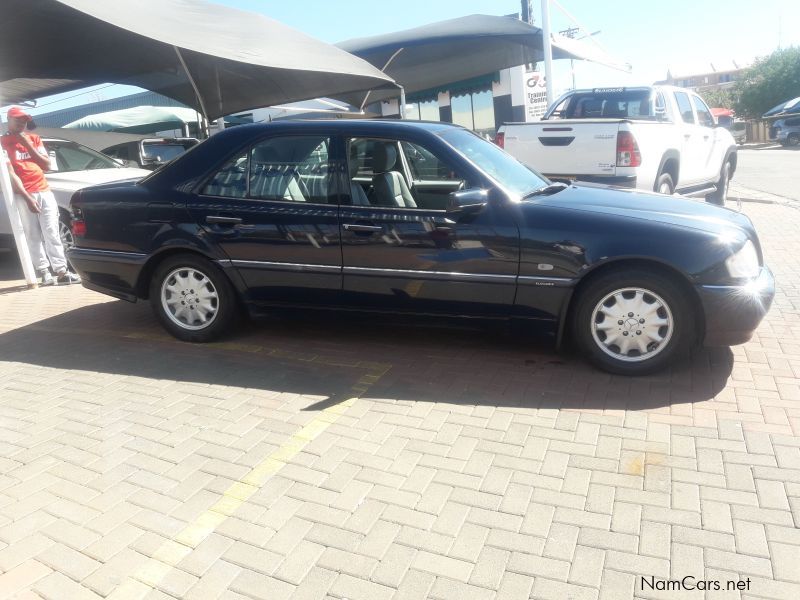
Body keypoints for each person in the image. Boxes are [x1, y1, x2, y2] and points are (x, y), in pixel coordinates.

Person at [1, 106, 80, 286]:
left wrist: (27, 143)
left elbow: (45, 165)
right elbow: (10, 174)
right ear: (9, 119)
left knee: (52, 231)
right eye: (18, 119)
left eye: (24, 120)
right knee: (32, 233)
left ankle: (61, 271)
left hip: (44, 189)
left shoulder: (35, 139)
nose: (22, 123)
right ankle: (44, 271)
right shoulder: (2, 142)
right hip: (21, 194)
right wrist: (27, 197)